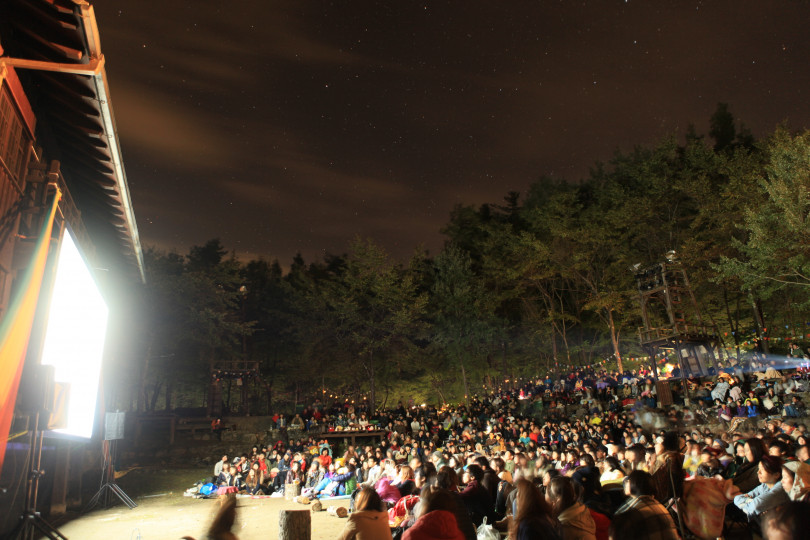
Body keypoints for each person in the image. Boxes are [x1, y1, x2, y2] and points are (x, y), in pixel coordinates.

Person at [613, 471, 679, 540]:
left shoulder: (631, 510)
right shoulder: (658, 506)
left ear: (634, 483)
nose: (625, 483)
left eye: (627, 481)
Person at [733, 455, 789, 520]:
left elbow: (755, 506)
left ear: (776, 475)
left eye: (762, 470)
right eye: (758, 469)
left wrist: (753, 505)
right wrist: (753, 502)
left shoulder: (781, 487)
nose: (758, 472)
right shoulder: (765, 485)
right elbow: (737, 498)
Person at [546, 476, 596, 540]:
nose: (544, 505)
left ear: (554, 503)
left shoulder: (566, 528)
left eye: (546, 502)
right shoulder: (581, 514)